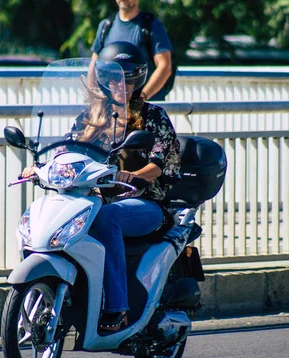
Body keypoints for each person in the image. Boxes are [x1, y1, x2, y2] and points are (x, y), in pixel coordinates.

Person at [22, 42, 181, 333]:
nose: (121, 85)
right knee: (47, 215)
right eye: (113, 78)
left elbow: (158, 163)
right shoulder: (90, 117)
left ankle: (117, 308)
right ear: (103, 81)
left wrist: (133, 176)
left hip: (146, 204)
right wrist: (40, 168)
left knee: (106, 219)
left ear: (140, 79)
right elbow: (65, 151)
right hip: (93, 199)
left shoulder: (153, 117)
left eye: (129, 78)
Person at [91, 0, 173, 101]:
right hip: (114, 109)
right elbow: (94, 65)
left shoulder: (152, 26)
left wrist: (141, 98)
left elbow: (165, 67)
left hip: (147, 108)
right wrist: (93, 98)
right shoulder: (105, 26)